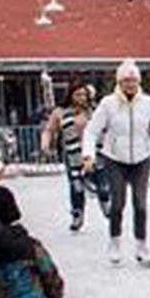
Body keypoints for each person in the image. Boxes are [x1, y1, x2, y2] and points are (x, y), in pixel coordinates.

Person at [81, 59, 150, 267]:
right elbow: (92, 131)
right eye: (125, 81)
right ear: (119, 82)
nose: (130, 84)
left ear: (138, 82)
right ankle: (115, 242)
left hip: (142, 158)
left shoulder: (148, 103)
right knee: (118, 204)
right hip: (115, 158)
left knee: (140, 205)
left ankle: (141, 245)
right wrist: (88, 155)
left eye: (133, 80)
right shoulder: (108, 104)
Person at [40, 83, 98, 232]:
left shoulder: (93, 111)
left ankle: (105, 202)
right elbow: (49, 130)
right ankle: (77, 215)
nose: (81, 98)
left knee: (101, 184)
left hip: (94, 154)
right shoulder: (59, 112)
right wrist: (45, 145)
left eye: (84, 95)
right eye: (78, 95)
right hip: (72, 155)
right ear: (71, 95)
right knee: (76, 186)